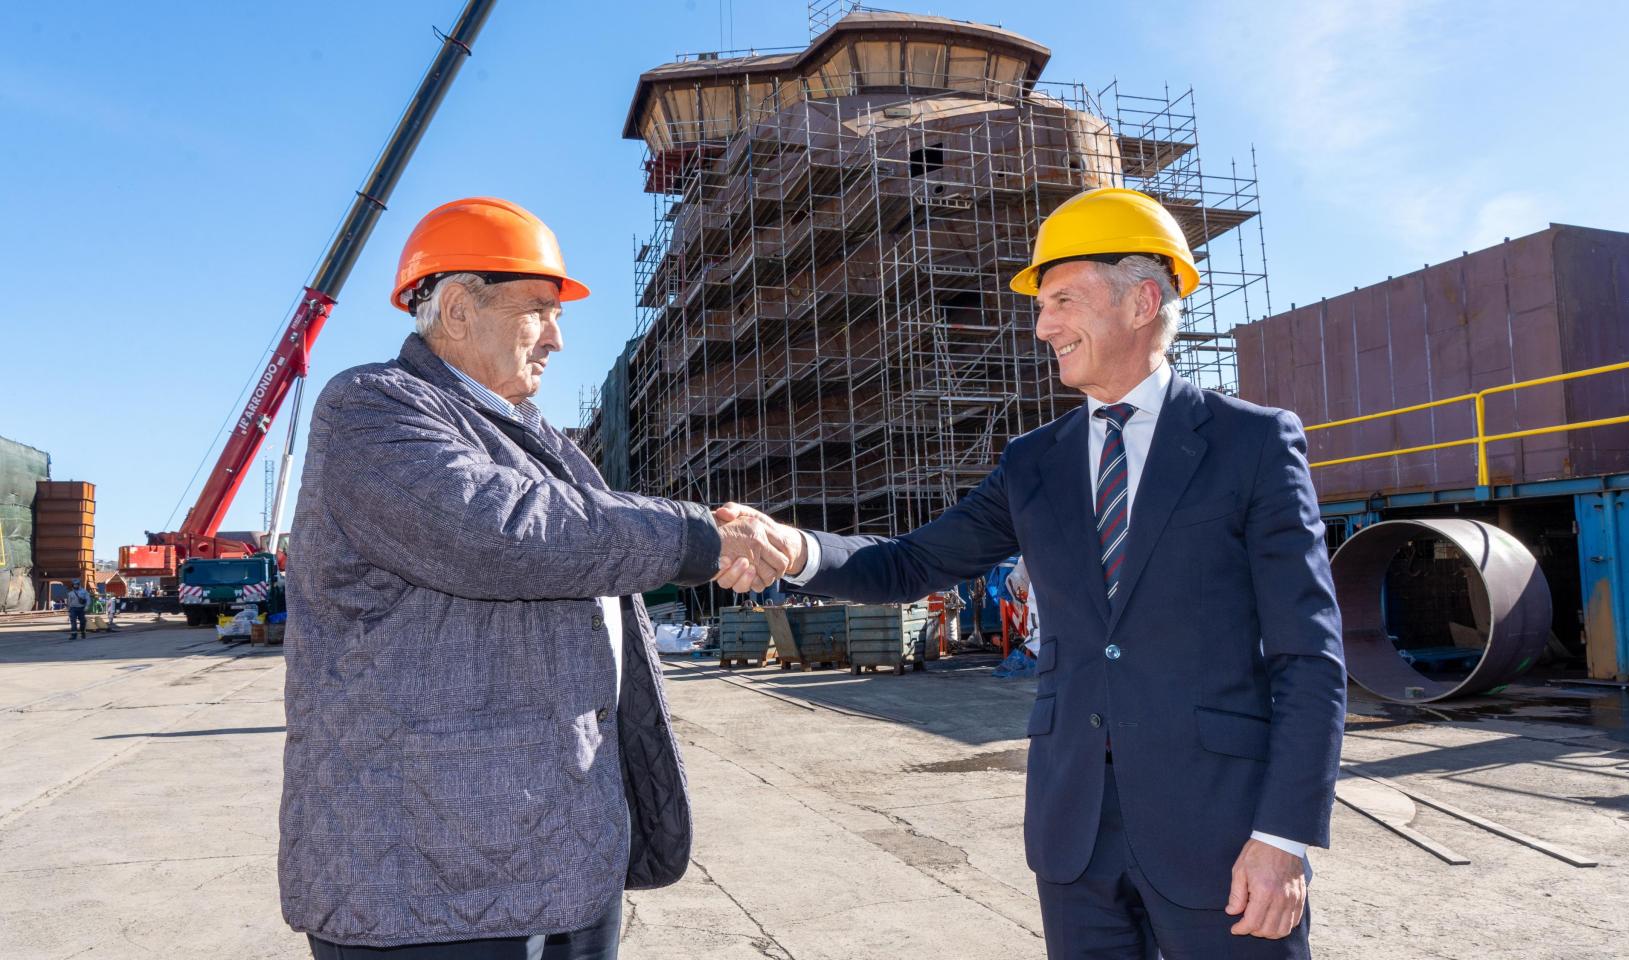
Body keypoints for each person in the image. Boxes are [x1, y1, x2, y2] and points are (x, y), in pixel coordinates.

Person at [718, 187, 1346, 959]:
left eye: (1062, 300)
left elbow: (1308, 658)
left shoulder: (1251, 444)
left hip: (1221, 835)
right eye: (1041, 305)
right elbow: (910, 562)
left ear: (1143, 300)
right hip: (1074, 835)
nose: (1042, 326)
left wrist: (1283, 836)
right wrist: (795, 549)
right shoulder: (1032, 464)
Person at [278, 197, 792, 959]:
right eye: (540, 311)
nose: (557, 336)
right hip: (429, 885)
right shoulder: (372, 409)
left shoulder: (534, 436)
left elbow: (588, 533)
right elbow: (504, 531)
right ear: (456, 309)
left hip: (554, 860)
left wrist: (708, 533)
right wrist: (695, 537)